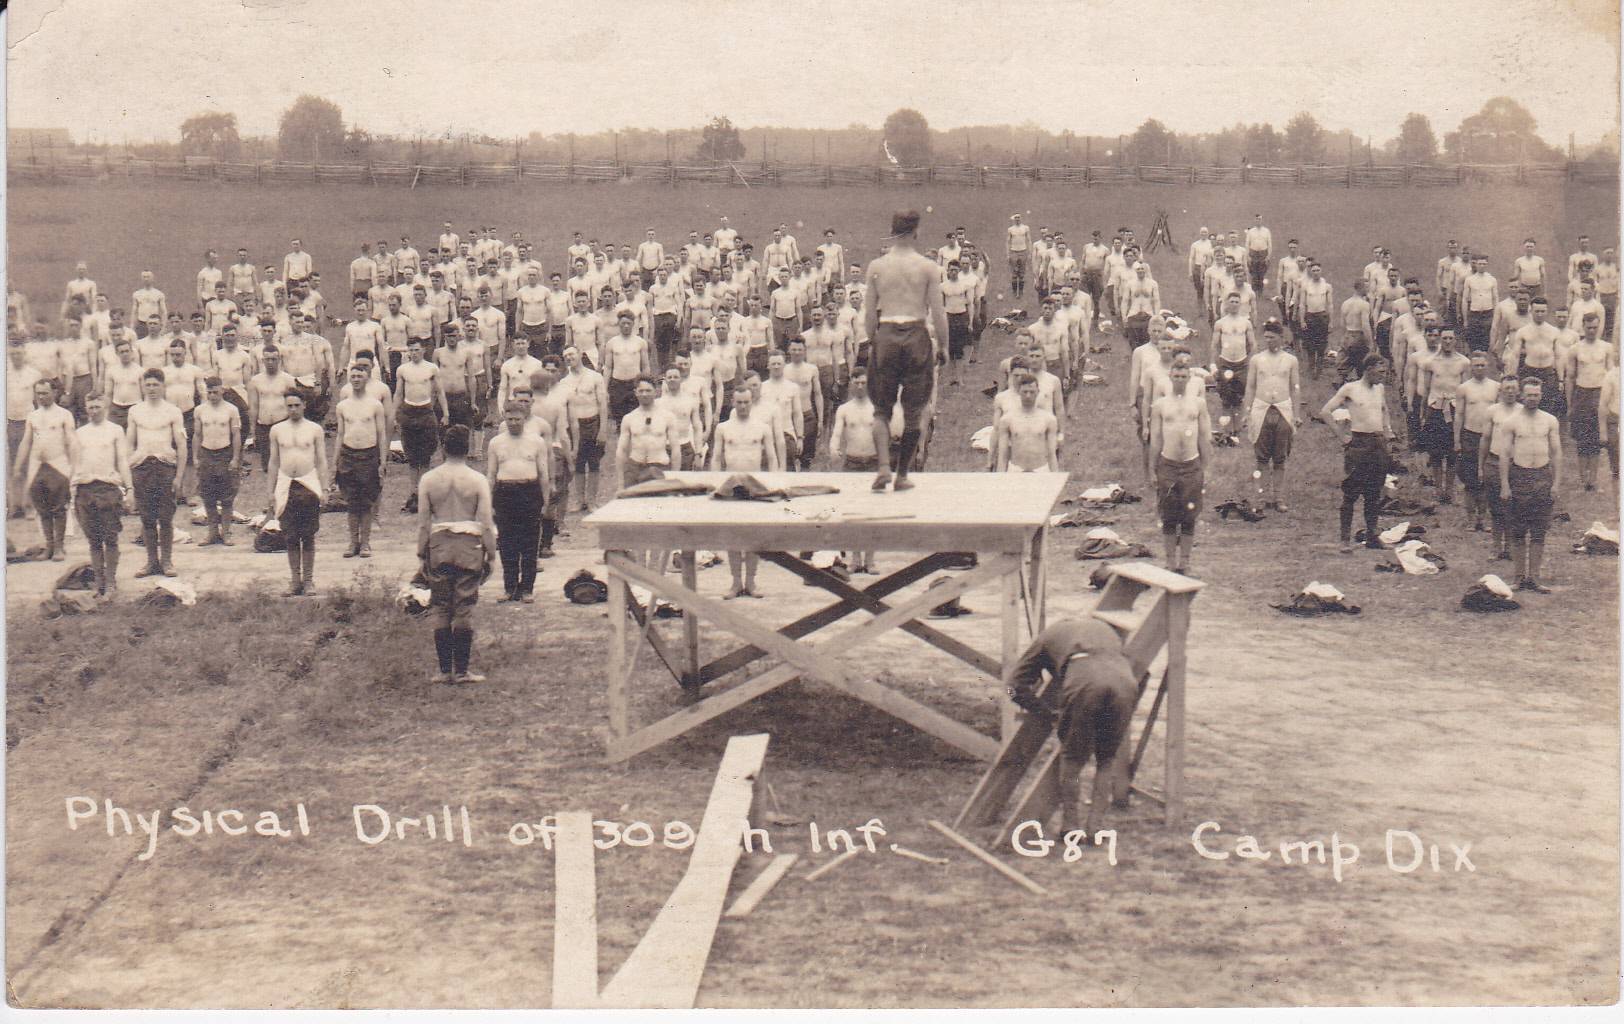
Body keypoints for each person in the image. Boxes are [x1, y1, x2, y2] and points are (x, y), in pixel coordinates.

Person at [1009, 617, 1139, 841]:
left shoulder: (1044, 639)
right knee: (1106, 759)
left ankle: (1071, 827)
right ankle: (1095, 828)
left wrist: (1044, 712)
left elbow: (1013, 687)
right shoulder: (1102, 627)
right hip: (1124, 680)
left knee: (1072, 758)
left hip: (1085, 681)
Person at [863, 210, 948, 492]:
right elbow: (938, 312)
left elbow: (869, 316)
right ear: (916, 232)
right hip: (916, 334)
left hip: (886, 333)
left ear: (892, 232)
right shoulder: (927, 267)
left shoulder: (877, 266)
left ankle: (883, 467)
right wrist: (944, 346)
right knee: (914, 411)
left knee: (881, 411)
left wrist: (875, 341)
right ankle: (902, 475)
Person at [418, 425, 496, 684]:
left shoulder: (428, 479)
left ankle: (443, 671)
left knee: (440, 606)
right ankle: (462, 671)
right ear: (468, 448)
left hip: (439, 544)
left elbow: (423, 523)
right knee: (463, 608)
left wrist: (422, 553)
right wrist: (491, 553)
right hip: (468, 546)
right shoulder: (477, 480)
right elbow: (485, 521)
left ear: (443, 447)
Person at [1321, 356, 1396, 554]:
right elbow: (1326, 412)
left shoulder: (1379, 388)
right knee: (1351, 492)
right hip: (1359, 444)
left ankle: (1372, 536)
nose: (1383, 375)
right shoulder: (1350, 389)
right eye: (1380, 371)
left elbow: (1384, 409)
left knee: (1374, 492)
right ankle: (1345, 540)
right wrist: (1342, 437)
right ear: (1368, 369)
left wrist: (1388, 431)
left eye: (1385, 371)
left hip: (1378, 444)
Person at [711, 385, 780, 598]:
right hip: (732, 486)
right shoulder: (723, 428)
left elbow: (771, 457)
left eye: (746, 402)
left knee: (752, 536)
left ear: (752, 402)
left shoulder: (762, 428)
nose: (742, 406)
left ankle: (751, 582)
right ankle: (735, 582)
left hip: (755, 485)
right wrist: (715, 482)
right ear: (733, 402)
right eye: (739, 402)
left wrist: (773, 483)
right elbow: (715, 457)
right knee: (733, 535)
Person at [1147, 356, 1210, 574]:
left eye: (1184, 376)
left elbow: (1204, 437)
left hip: (1191, 465)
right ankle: (1170, 561)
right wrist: (1152, 469)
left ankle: (1185, 561)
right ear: (1170, 377)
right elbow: (1155, 439)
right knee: (1169, 515)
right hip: (1168, 465)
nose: (1180, 379)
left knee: (1189, 515)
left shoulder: (1199, 404)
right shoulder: (1160, 405)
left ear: (1189, 377)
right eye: (1177, 376)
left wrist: (1206, 468)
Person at [1499, 378, 1563, 593]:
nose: (1532, 398)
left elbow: (1556, 453)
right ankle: (1518, 578)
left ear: (1541, 395)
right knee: (1518, 530)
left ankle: (1534, 577)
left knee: (1539, 530)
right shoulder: (1512, 422)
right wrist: (1505, 485)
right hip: (1520, 477)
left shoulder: (1550, 420)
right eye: (1529, 395)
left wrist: (1556, 483)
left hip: (1542, 477)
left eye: (1536, 394)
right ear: (1521, 396)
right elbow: (1505, 455)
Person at [69, 392, 134, 598]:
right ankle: (99, 582)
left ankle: (112, 582)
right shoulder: (79, 433)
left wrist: (129, 489)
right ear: (86, 408)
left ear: (105, 407)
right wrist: (72, 493)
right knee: (94, 540)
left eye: (98, 407)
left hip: (108, 489)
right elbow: (74, 465)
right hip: (85, 489)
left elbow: (122, 460)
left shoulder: (115, 431)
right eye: (90, 407)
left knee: (110, 538)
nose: (94, 411)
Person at [126, 367, 188, 577]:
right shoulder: (135, 411)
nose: (151, 388)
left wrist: (179, 477)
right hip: (142, 467)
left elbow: (181, 446)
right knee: (147, 517)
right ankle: (151, 562)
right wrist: (130, 471)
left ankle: (167, 562)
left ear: (163, 387)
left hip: (164, 467)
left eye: (156, 384)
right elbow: (129, 444)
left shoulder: (173, 411)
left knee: (166, 517)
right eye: (148, 384)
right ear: (143, 386)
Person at [265, 392, 327, 596]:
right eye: (289, 405)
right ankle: (295, 581)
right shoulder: (277, 430)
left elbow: (321, 461)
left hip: (308, 484)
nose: (293, 409)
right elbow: (273, 461)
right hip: (286, 485)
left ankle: (308, 581)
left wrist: (325, 488)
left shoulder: (314, 429)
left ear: (304, 405)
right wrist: (270, 491)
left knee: (307, 535)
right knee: (290, 536)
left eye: (296, 405)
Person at [487, 405, 550, 603]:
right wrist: (488, 502)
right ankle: (509, 587)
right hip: (505, 493)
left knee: (530, 544)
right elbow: (491, 474)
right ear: (504, 418)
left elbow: (543, 474)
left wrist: (545, 501)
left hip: (529, 492)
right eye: (510, 419)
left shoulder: (537, 442)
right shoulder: (496, 443)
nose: (514, 423)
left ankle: (527, 589)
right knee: (507, 544)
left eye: (517, 419)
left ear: (525, 418)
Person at [1240, 320, 1302, 511]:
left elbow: (1295, 388)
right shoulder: (1257, 359)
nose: (1268, 341)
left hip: (1283, 409)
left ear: (1281, 338)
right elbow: (1250, 387)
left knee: (1280, 457)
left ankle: (1278, 498)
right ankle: (1261, 498)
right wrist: (1246, 411)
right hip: (1261, 409)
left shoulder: (1291, 360)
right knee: (1261, 458)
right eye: (1266, 337)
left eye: (1272, 337)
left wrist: (1296, 414)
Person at [14, 379, 78, 560]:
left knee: (58, 507)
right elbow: (26, 442)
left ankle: (59, 547)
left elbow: (72, 442)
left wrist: (74, 467)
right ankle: (49, 546)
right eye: (38, 393)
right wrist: (18, 467)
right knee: (42, 509)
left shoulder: (64, 415)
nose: (41, 397)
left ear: (55, 393)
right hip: (37, 466)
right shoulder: (32, 416)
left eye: (45, 393)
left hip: (58, 464)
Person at [333, 365, 388, 558]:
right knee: (351, 502)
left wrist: (383, 461)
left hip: (369, 456)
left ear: (367, 378)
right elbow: (340, 434)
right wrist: (335, 461)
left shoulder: (375, 405)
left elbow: (381, 434)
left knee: (366, 502)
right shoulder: (343, 406)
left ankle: (365, 543)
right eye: (353, 376)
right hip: (348, 456)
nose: (356, 379)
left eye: (359, 376)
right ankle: (352, 543)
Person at [828, 366, 878, 573]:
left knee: (872, 513)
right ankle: (856, 559)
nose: (860, 386)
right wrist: (833, 446)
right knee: (854, 512)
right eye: (856, 382)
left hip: (873, 462)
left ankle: (870, 560)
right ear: (851, 383)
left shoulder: (877, 406)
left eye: (863, 382)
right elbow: (837, 432)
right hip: (853, 463)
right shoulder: (844, 409)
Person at [394, 337, 448, 514]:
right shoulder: (403, 370)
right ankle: (413, 494)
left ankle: (424, 495)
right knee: (411, 456)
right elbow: (398, 393)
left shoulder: (431, 368)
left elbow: (439, 391)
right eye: (411, 350)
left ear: (423, 350)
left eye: (417, 350)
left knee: (425, 456)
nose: (414, 353)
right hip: (409, 412)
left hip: (425, 412)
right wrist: (395, 415)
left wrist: (446, 413)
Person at [1417, 327, 1471, 504]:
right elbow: (1425, 391)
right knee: (1436, 453)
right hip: (1436, 410)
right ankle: (1438, 490)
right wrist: (1423, 414)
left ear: (1455, 340)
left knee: (1453, 453)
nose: (1447, 341)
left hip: (1455, 410)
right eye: (1444, 338)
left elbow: (1466, 391)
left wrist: (1465, 415)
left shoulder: (1463, 362)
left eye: (1451, 338)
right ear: (1440, 339)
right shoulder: (1430, 362)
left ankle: (1450, 490)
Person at [1564, 312, 1614, 492]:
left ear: (1599, 327)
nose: (1592, 331)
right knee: (1582, 440)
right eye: (1588, 327)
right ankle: (1582, 481)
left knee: (1597, 439)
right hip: (1582, 394)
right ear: (1583, 327)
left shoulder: (1607, 347)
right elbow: (1570, 378)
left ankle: (1593, 480)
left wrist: (1610, 401)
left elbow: (1611, 377)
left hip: (1600, 394)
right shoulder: (1575, 349)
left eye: (1595, 327)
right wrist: (1570, 404)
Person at [1452, 353, 1500, 533]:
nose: (1479, 368)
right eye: (1476, 365)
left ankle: (1483, 517)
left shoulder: (1496, 387)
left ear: (1487, 367)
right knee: (1470, 480)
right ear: (1471, 368)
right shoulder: (1464, 388)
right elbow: (1459, 415)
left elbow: (1500, 414)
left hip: (1490, 436)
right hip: (1470, 436)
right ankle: (1471, 518)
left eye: (1482, 365)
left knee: (1487, 479)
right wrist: (1457, 439)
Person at [192, 376, 242, 546]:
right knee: (208, 495)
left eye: (216, 392)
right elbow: (197, 435)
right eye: (210, 392)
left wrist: (235, 458)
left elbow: (236, 435)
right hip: (206, 454)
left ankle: (226, 532)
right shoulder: (200, 410)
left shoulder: (231, 410)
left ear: (222, 391)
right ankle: (212, 533)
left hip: (225, 453)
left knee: (227, 496)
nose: (212, 396)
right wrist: (195, 457)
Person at [562, 345, 609, 512]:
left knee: (594, 463)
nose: (569, 358)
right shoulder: (564, 382)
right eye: (566, 356)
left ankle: (592, 501)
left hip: (593, 423)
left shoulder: (595, 377)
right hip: (574, 426)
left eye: (572, 354)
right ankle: (579, 500)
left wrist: (603, 429)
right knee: (578, 464)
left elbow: (603, 404)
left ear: (580, 355)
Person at [1480, 375, 1522, 560]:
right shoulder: (1492, 411)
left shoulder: (1523, 411)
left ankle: (1511, 547)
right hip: (1494, 461)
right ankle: (1496, 547)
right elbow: (1485, 439)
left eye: (1514, 388)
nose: (1510, 392)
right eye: (1507, 388)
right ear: (1501, 391)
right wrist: (1481, 466)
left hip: (1517, 464)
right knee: (1496, 506)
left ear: (1518, 390)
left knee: (1513, 507)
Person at [616, 377, 681, 488]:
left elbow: (675, 449)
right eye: (641, 391)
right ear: (635, 392)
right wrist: (620, 483)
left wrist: (674, 476)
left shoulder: (667, 417)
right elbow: (621, 450)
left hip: (660, 466)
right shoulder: (629, 418)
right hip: (635, 467)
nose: (644, 394)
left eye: (648, 390)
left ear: (656, 392)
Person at [995, 372, 1059, 473]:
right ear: (1019, 392)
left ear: (1038, 392)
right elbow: (1003, 455)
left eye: (1032, 392)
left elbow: (1052, 454)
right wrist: (1000, 480)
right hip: (1016, 470)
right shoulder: (1007, 419)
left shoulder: (1049, 419)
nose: (1028, 396)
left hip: (1041, 470)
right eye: (1025, 392)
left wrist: (1055, 479)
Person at [1212, 294, 1255, 440]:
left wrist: (1250, 361)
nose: (1235, 304)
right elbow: (1214, 345)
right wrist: (1215, 365)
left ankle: (1237, 430)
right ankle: (1227, 431)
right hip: (1225, 363)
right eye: (1232, 302)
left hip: (1242, 364)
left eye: (1237, 302)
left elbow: (1253, 344)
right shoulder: (1220, 323)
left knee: (1238, 398)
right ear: (1227, 304)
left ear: (1240, 304)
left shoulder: (1246, 323)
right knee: (1226, 398)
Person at [1339, 279, 1373, 381]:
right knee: (1361, 364)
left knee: (1346, 361)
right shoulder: (1364, 304)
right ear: (1360, 288)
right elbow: (1365, 325)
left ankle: (1342, 380)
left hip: (1348, 334)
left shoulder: (1345, 303)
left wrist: (1344, 337)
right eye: (1367, 287)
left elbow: (1342, 324)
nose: (1368, 289)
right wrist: (1370, 343)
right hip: (1359, 335)